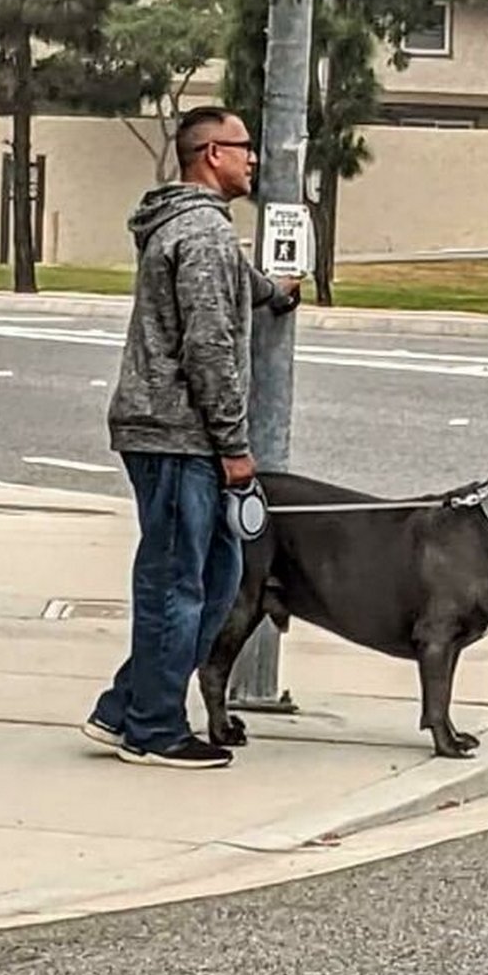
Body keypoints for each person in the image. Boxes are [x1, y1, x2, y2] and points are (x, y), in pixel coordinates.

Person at [84, 107, 300, 770]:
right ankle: (152, 728)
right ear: (211, 154)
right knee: (179, 582)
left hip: (176, 433)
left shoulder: (193, 229)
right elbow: (208, 343)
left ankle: (125, 706)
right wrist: (235, 447)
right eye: (243, 147)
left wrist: (273, 291)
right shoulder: (202, 235)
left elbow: (227, 290)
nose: (254, 158)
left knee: (215, 574)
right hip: (180, 435)